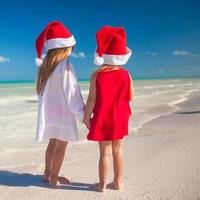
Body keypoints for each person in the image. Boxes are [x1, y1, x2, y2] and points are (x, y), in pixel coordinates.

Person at [83, 26, 134, 192]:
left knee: (105, 152)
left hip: (103, 117)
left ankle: (102, 185)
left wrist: (86, 116)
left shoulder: (97, 75)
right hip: (120, 116)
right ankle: (118, 183)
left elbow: (92, 99)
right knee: (118, 151)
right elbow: (131, 97)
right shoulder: (126, 74)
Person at [35, 21, 85, 186]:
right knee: (61, 146)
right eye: (71, 47)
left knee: (52, 142)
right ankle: (54, 179)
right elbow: (72, 95)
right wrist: (83, 115)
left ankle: (47, 174)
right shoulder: (65, 67)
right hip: (63, 112)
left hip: (51, 113)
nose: (72, 51)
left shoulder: (45, 67)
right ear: (64, 47)